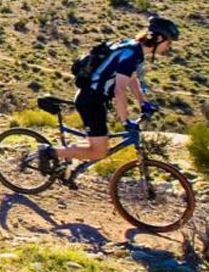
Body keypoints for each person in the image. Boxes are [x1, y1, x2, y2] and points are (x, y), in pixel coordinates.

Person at [39, 16, 180, 186]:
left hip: (96, 100)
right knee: (99, 151)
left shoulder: (134, 50)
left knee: (100, 144)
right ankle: (48, 152)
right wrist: (125, 120)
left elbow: (132, 80)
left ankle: (69, 164)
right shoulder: (131, 54)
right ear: (158, 38)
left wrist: (143, 103)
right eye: (169, 43)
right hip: (90, 101)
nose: (169, 47)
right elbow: (120, 90)